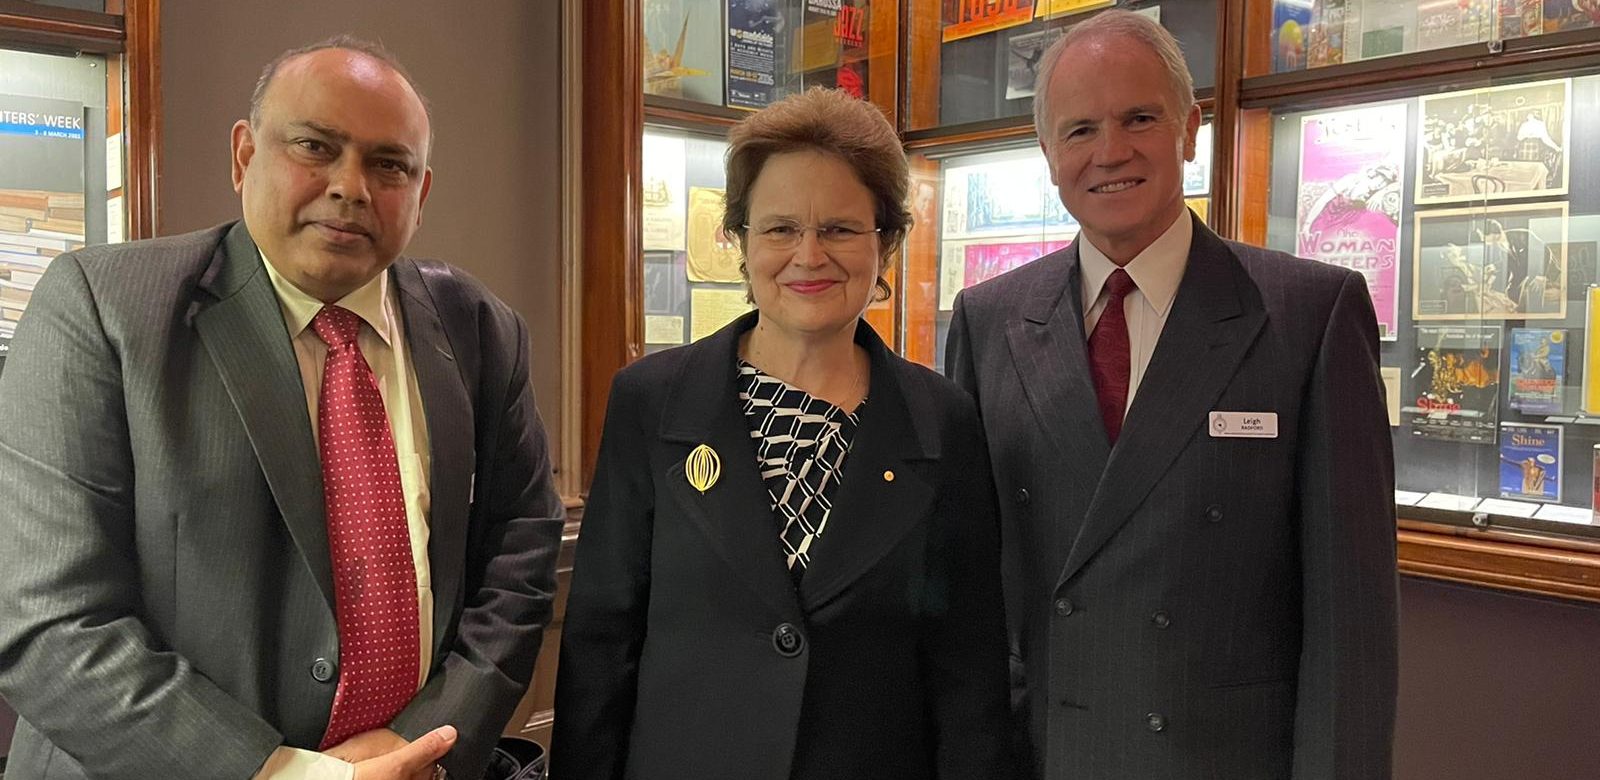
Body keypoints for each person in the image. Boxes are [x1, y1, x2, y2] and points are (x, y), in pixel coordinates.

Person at [0, 36, 565, 780]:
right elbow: (52, 620)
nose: (350, 186)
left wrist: (419, 745)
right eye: (315, 147)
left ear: (421, 193)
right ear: (243, 156)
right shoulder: (102, 311)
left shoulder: (484, 330)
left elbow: (519, 557)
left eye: (388, 164)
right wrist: (293, 775)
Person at [945, 10, 1398, 779]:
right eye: (1080, 129)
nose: (1111, 152)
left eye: (1140, 118)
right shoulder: (988, 321)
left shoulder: (1307, 314)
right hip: (1044, 754)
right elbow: (964, 586)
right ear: (1048, 152)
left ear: (1190, 129)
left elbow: (1349, 621)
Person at [552, 88, 1013, 779]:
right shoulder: (651, 403)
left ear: (885, 242)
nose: (808, 255)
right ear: (738, 241)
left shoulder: (943, 421)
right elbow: (600, 646)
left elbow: (967, 669)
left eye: (839, 228)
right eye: (778, 228)